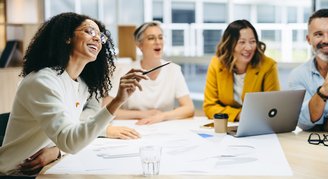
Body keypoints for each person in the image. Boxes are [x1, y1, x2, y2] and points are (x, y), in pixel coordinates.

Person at [0, 12, 147, 175]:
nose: (97, 39)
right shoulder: (42, 81)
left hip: (48, 169)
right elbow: (71, 142)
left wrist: (56, 152)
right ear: (67, 37)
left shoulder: (81, 84)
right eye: (89, 31)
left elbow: (72, 133)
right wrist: (117, 101)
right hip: (15, 173)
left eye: (100, 36)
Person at [102, 21, 195, 125]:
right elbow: (105, 110)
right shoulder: (124, 71)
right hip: (133, 127)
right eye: (151, 38)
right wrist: (143, 114)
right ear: (139, 45)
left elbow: (189, 108)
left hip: (164, 127)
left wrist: (162, 116)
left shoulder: (173, 70)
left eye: (160, 37)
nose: (158, 42)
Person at [203, 19, 280, 122]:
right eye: (242, 42)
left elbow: (274, 107)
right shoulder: (216, 64)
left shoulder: (268, 66)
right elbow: (209, 107)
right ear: (230, 44)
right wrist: (239, 115)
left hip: (259, 125)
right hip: (227, 126)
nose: (248, 47)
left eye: (252, 42)